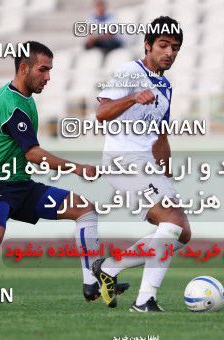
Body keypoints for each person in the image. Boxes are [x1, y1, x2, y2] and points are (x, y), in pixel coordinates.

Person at [0, 41, 128, 311]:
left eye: (49, 70)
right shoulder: (16, 108)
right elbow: (33, 154)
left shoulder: (8, 94)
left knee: (85, 211)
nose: (48, 77)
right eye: (43, 70)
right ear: (24, 68)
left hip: (22, 187)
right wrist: (78, 168)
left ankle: (90, 284)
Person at [92, 16, 190, 312]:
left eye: (174, 47)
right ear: (147, 45)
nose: (169, 52)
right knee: (171, 223)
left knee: (181, 232)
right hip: (122, 161)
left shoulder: (166, 86)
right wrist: (134, 97)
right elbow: (102, 112)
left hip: (147, 164)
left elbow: (161, 137)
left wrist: (167, 176)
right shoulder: (129, 72)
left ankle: (110, 267)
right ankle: (145, 300)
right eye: (163, 45)